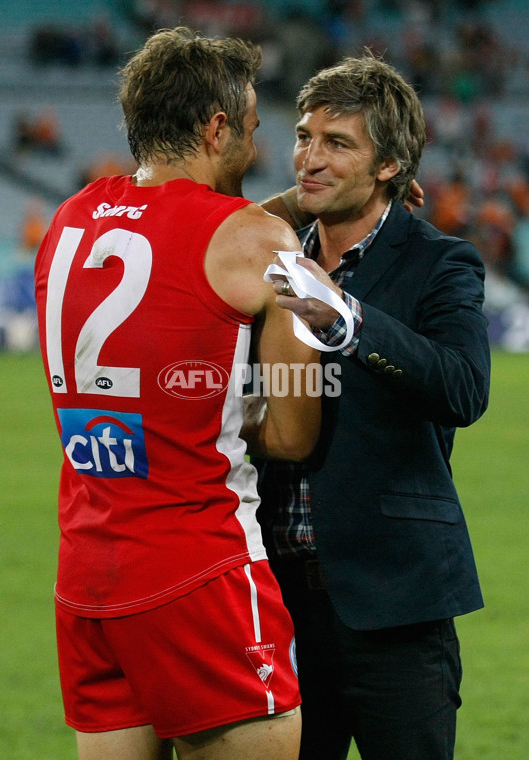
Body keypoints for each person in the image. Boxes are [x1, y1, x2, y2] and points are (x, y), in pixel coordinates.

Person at [34, 27, 322, 760]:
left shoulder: (68, 221)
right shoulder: (257, 243)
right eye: (252, 128)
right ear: (215, 126)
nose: (255, 149)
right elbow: (292, 431)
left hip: (89, 574)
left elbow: (171, 255)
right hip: (201, 572)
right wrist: (231, 413)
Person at [255, 51, 491, 760]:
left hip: (395, 603)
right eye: (304, 137)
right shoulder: (268, 256)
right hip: (276, 599)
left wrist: (348, 320)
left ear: (388, 165)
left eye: (337, 143)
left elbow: (462, 388)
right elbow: (199, 230)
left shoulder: (439, 262)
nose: (309, 157)